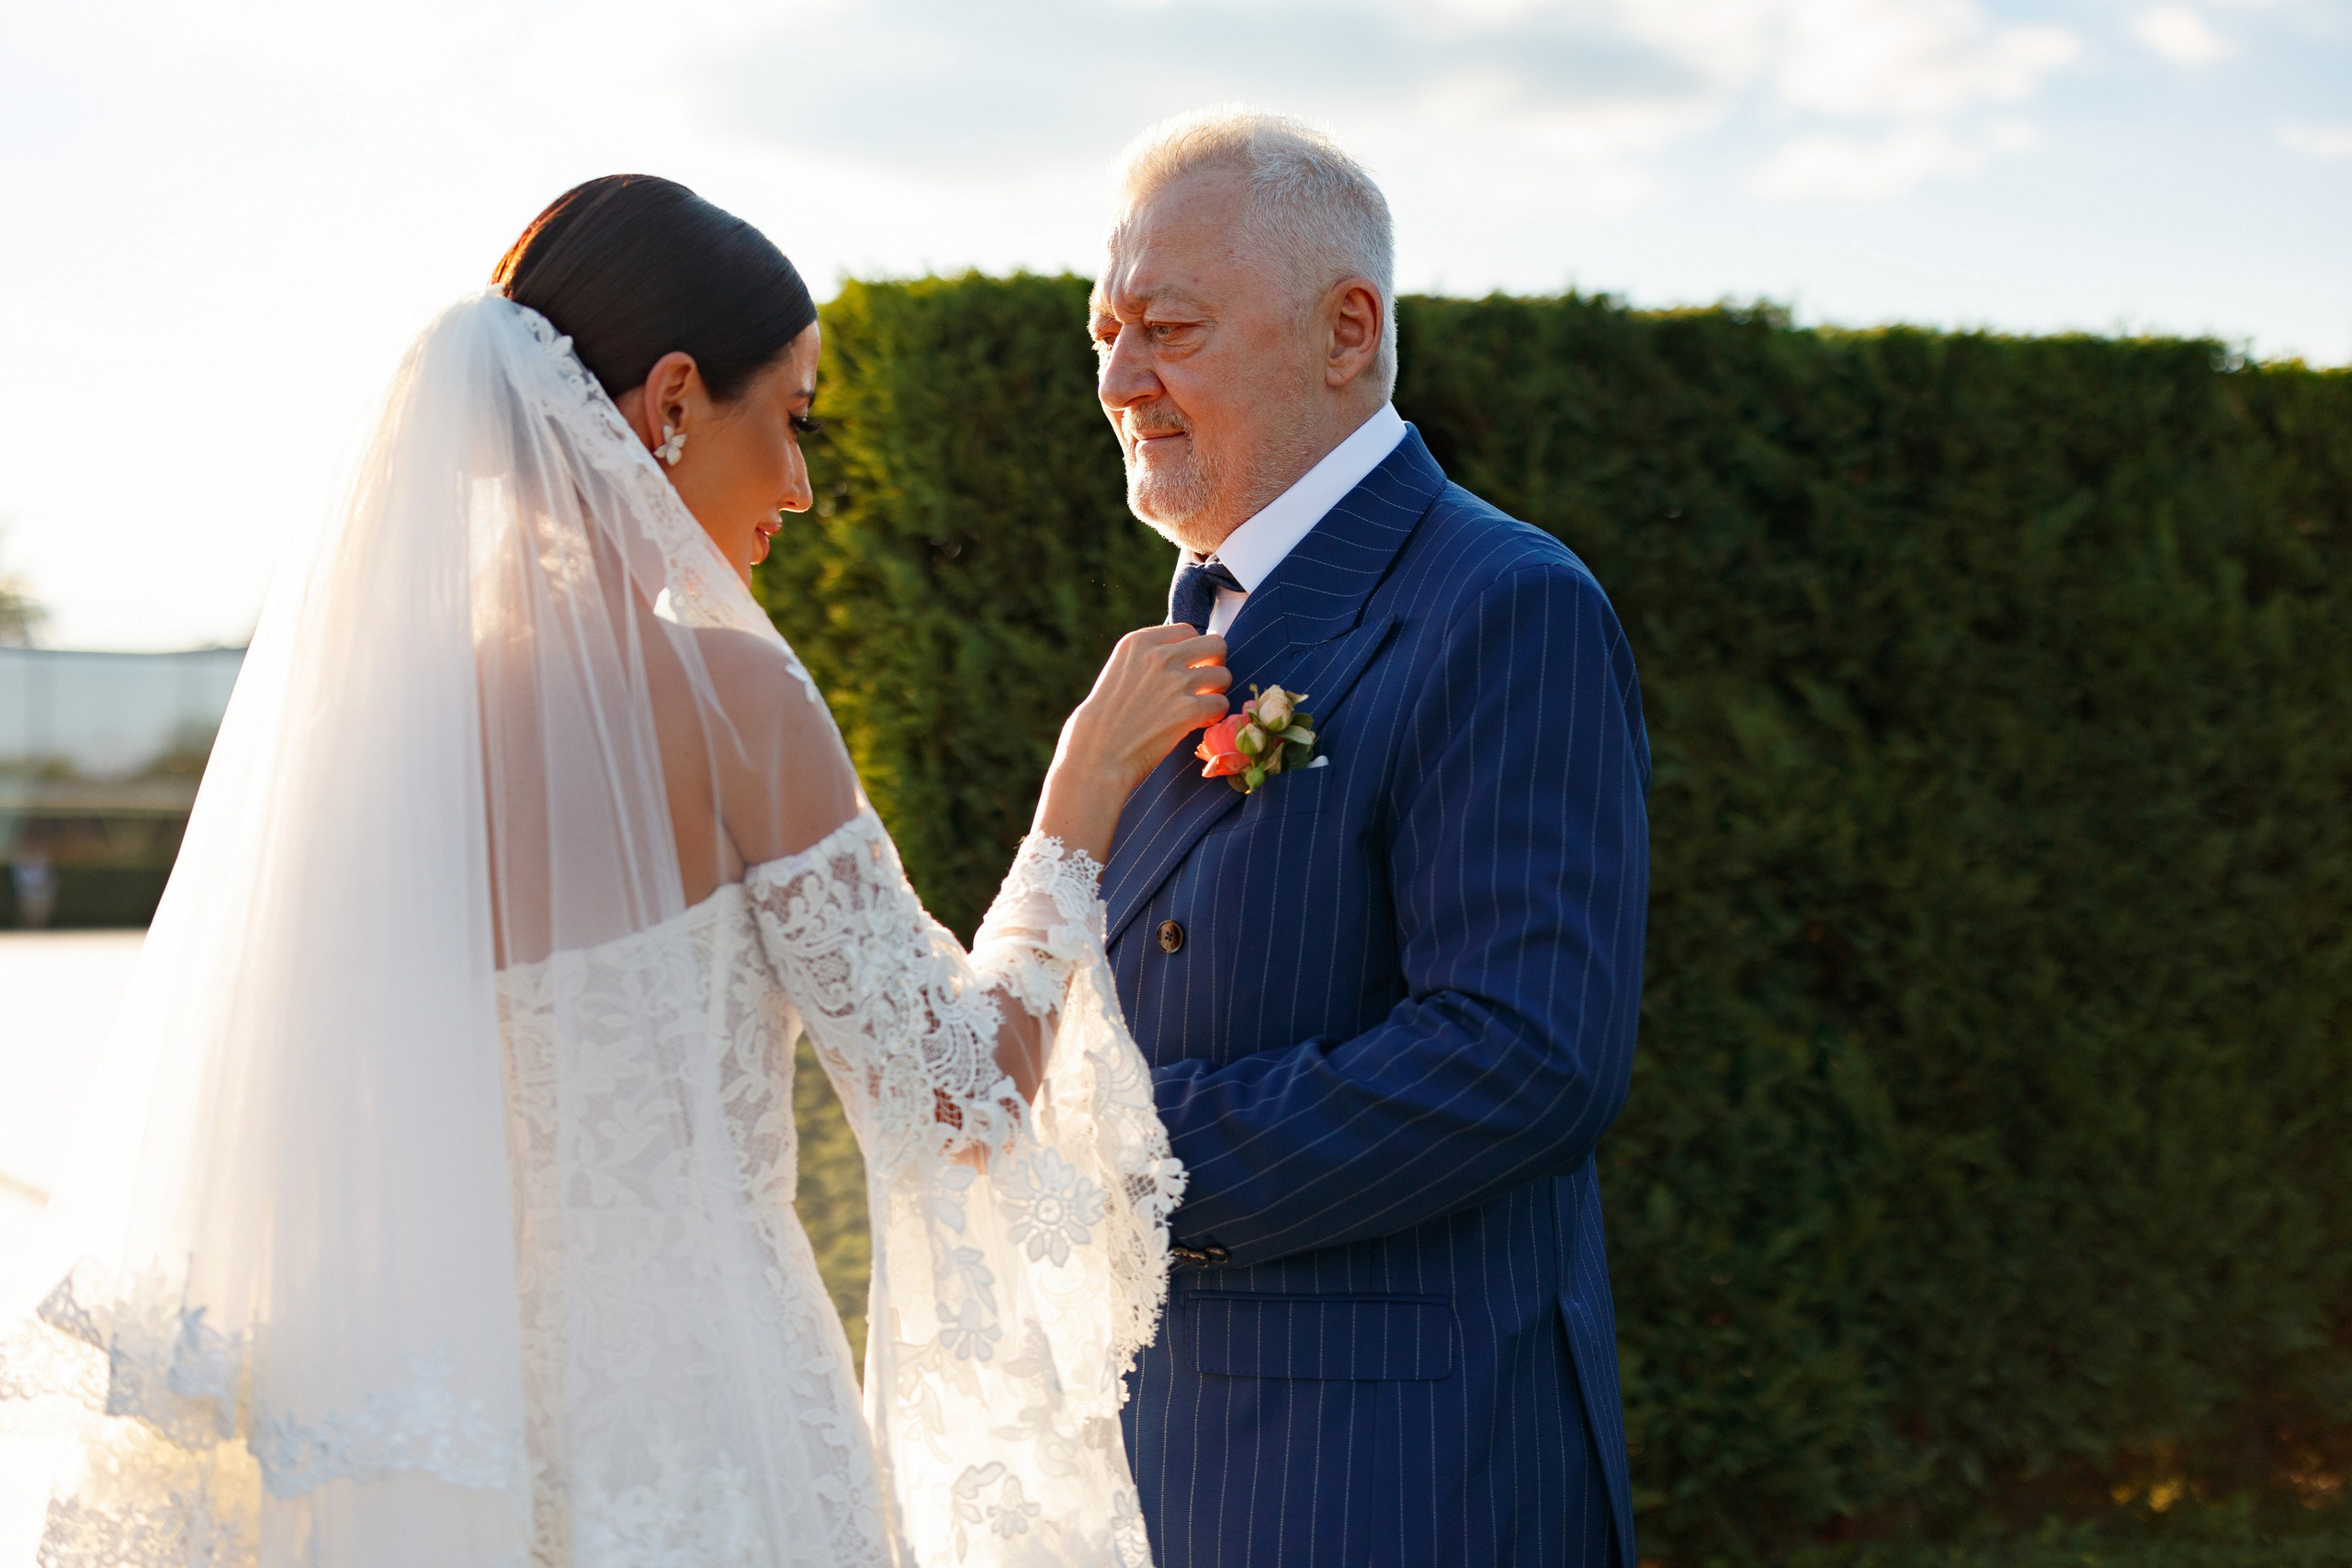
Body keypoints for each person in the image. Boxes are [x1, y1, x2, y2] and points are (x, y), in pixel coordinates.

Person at [0, 176, 1225, 1567]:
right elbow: (956, 1094)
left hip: (416, 1446)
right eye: (795, 419)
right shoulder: (730, 703)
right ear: (677, 400)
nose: (806, 487)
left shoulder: (364, 743)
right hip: (711, 1443)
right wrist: (1079, 803)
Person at [1092, 110, 1652, 1568]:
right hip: (1166, 1464)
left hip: (1390, 1479)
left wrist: (1124, 1165)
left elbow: (1523, 1054)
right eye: (1104, 332)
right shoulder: (1177, 639)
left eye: (1168, 326)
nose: (1119, 378)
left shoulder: (1502, 602)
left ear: (1348, 331)